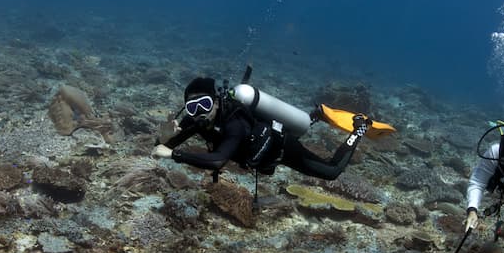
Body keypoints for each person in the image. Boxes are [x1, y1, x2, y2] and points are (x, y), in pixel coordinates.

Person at [152, 76, 376, 181]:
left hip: (280, 147)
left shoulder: (234, 122)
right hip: (258, 150)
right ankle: (314, 116)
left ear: (217, 102)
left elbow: (217, 160)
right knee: (305, 129)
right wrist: (164, 138)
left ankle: (359, 128)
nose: (200, 112)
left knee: (331, 172)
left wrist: (174, 153)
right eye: (193, 107)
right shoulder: (193, 121)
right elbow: (159, 148)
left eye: (205, 104)